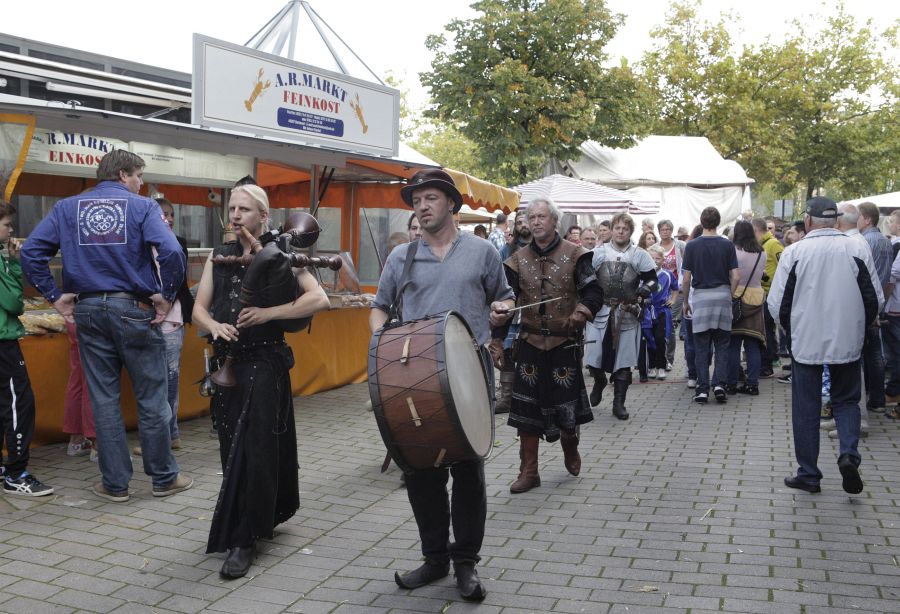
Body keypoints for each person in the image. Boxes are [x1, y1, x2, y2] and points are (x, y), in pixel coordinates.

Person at [370, 168, 513, 601]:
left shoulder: (482, 251)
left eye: (430, 198)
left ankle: (465, 562)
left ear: (451, 203)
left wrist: (503, 308)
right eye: (416, 201)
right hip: (415, 377)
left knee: (468, 469)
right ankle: (435, 558)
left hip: (471, 371)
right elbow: (379, 308)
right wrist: (381, 347)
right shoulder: (402, 257)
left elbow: (504, 296)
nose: (422, 206)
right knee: (421, 470)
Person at [21, 150, 189, 502]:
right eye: (139, 176)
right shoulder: (143, 208)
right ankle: (163, 478)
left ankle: (115, 484)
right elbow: (172, 251)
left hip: (88, 309)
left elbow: (31, 251)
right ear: (123, 174)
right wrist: (166, 295)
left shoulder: (67, 208)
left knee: (103, 398)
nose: (141, 184)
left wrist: (55, 296)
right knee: (152, 397)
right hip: (134, 307)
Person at [193, 184, 329, 578]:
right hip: (228, 364)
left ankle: (245, 538)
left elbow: (318, 299)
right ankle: (247, 520)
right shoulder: (219, 255)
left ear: (263, 216)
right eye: (232, 208)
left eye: (245, 209)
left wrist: (268, 314)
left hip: (265, 363)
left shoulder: (281, 252)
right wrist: (214, 326)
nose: (235, 215)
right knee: (231, 446)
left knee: (256, 448)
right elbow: (198, 309)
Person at [768, 197, 882, 494]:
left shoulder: (795, 252)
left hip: (806, 341)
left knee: (806, 407)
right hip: (847, 339)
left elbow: (777, 303)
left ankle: (809, 474)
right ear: (836, 220)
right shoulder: (856, 248)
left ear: (807, 221)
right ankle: (849, 454)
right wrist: (860, 328)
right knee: (847, 401)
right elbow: (874, 299)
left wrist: (791, 332)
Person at [493, 198, 602, 494]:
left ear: (554, 220)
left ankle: (570, 444)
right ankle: (529, 472)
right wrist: (497, 338)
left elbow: (593, 292)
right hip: (529, 343)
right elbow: (506, 299)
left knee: (566, 409)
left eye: (542, 216)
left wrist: (581, 312)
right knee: (525, 411)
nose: (537, 221)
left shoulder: (577, 255)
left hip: (564, 343)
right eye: (532, 217)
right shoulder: (516, 259)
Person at [133, 198, 194, 456]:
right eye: (163, 215)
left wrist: (165, 303)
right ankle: (165, 435)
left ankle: (169, 436)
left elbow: (178, 281)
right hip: (146, 318)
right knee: (151, 381)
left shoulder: (178, 243)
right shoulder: (139, 244)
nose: (168, 219)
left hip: (172, 320)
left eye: (171, 214)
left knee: (170, 380)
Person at [0, 202, 53, 496]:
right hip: (3, 342)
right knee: (20, 404)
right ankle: (16, 473)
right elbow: (13, 303)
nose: (11, 231)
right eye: (7, 224)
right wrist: (13, 263)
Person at [584, 213, 659, 419]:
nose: (620, 231)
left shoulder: (639, 255)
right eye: (617, 228)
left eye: (625, 229)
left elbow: (653, 280)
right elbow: (584, 276)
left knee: (624, 361)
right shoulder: (598, 253)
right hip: (600, 312)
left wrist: (646, 289)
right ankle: (599, 380)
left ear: (630, 231)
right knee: (593, 357)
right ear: (611, 230)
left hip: (627, 312)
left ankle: (619, 403)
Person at [682, 207, 739, 404]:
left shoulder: (692, 246)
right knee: (722, 344)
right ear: (718, 222)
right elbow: (736, 276)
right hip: (722, 296)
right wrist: (729, 295)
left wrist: (685, 302)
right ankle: (720, 384)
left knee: (701, 345)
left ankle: (702, 389)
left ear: (701, 222)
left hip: (701, 298)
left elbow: (686, 279)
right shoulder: (727, 245)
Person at [857, 202, 892, 414]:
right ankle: (877, 399)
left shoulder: (864, 242)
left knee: (862, 354)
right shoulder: (886, 242)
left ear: (867, 219)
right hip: (878, 302)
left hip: (865, 302)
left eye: (859, 217)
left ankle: (863, 397)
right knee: (875, 353)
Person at [725, 221, 767, 396]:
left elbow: (731, 275)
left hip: (735, 297)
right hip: (755, 299)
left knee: (733, 345)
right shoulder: (762, 252)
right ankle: (752, 384)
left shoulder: (734, 251)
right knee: (753, 344)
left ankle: (731, 383)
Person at [638, 245, 675, 381]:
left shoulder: (667, 274)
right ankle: (651, 366)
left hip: (661, 311)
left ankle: (661, 367)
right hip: (646, 312)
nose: (654, 261)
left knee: (660, 339)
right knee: (649, 339)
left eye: (658, 258)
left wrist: (673, 300)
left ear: (663, 259)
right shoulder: (642, 275)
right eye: (651, 258)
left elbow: (676, 288)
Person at [753, 218, 784, 378]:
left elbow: (784, 266)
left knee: (766, 332)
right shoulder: (762, 245)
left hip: (770, 293)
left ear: (756, 230)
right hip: (763, 293)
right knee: (764, 331)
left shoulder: (773, 244)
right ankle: (765, 362)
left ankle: (766, 365)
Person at [63, 321, 96, 461]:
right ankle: (99, 446)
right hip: (93, 320)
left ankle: (76, 442)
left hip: (75, 319)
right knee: (93, 381)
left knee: (78, 379)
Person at [657, 219, 686, 369]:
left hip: (676, 289)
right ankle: (659, 357)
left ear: (671, 231)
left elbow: (686, 265)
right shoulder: (656, 247)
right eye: (663, 229)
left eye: (668, 229)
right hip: (660, 291)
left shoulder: (680, 245)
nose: (665, 232)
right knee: (659, 324)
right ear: (659, 231)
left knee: (671, 322)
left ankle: (669, 358)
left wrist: (683, 283)